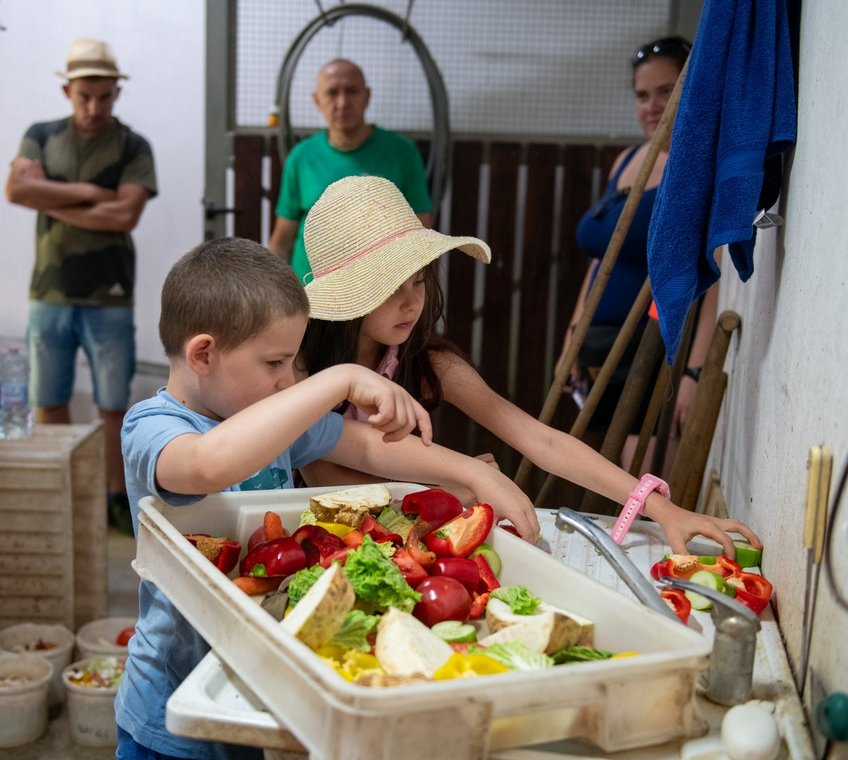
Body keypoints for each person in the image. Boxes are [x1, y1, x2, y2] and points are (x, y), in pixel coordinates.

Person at [115, 237, 538, 759]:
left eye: (294, 364)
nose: (288, 381)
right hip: (173, 711)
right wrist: (341, 378)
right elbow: (209, 464)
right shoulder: (151, 427)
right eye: (275, 363)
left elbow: (370, 448)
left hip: (260, 694)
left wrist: (477, 476)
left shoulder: (275, 423)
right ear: (203, 353)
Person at [297, 175, 761, 557]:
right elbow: (325, 476)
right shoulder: (300, 367)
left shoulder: (428, 363)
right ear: (348, 293)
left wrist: (660, 509)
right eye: (389, 285)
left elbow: (540, 439)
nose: (411, 303)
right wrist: (455, 483)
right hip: (322, 542)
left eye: (419, 281)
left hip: (407, 544)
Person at [4, 38, 157, 532]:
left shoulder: (133, 145)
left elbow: (124, 214)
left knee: (114, 405)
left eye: (104, 96)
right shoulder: (40, 135)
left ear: (116, 92)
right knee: (48, 397)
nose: (94, 107)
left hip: (110, 294)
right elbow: (16, 189)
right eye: (84, 96)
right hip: (49, 292)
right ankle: (60, 490)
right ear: (68, 90)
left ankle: (115, 496)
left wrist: (47, 198)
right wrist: (90, 193)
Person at [554, 36, 712, 473]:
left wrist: (693, 373)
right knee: (608, 475)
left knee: (642, 477)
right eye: (643, 95)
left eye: (666, 91)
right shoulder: (628, 160)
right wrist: (573, 332)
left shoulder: (699, 168)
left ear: (692, 87)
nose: (652, 105)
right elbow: (601, 258)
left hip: (653, 350)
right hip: (601, 350)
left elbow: (712, 281)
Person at [268, 58, 433, 282]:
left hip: (377, 292)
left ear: (367, 96)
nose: (343, 102)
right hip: (310, 293)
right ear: (317, 101)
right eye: (332, 93)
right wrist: (273, 297)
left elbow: (419, 232)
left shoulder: (402, 153)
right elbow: (282, 240)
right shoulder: (301, 156)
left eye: (352, 91)